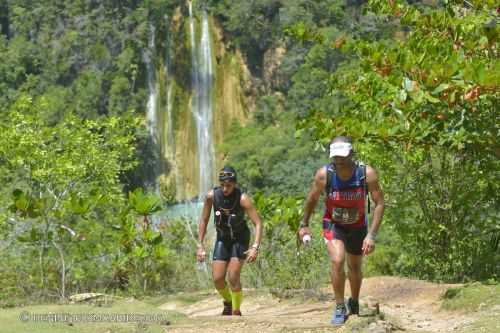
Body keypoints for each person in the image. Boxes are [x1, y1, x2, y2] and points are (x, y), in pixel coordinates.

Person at [299, 136, 385, 325]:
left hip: (358, 225)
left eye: (343, 157)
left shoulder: (366, 173)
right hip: (333, 224)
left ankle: (353, 301)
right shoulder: (324, 175)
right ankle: (339, 306)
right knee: (337, 260)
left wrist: (371, 235)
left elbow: (379, 203)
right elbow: (312, 200)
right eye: (336, 157)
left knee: (354, 266)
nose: (339, 161)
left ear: (351, 154)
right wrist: (304, 224)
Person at [197, 166, 263, 316]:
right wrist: (200, 245)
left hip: (240, 238)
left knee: (233, 276)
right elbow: (204, 219)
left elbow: (258, 223)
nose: (225, 189)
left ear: (235, 184)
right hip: (223, 238)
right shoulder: (211, 197)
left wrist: (255, 247)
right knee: (218, 279)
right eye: (223, 185)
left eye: (229, 185)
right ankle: (228, 301)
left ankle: (236, 311)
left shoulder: (243, 198)